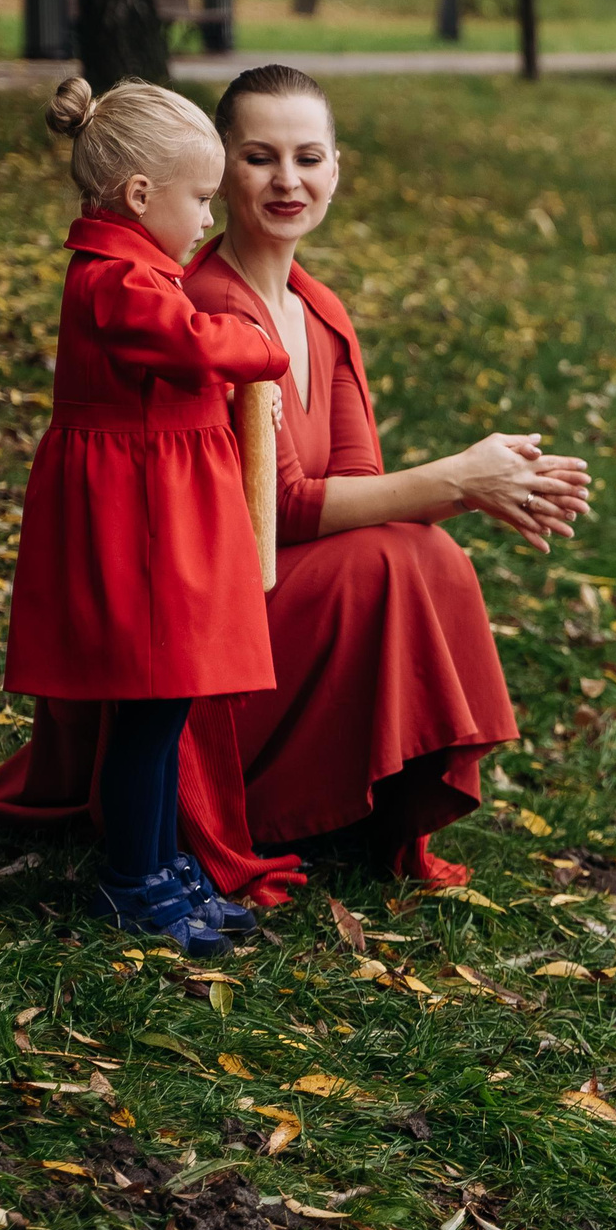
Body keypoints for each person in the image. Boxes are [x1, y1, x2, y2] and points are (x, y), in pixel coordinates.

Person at [182, 64, 591, 882]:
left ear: (338, 167)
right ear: (220, 167)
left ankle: (365, 801)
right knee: (400, 554)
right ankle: (266, 797)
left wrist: (483, 486)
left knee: (423, 553)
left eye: (308, 157)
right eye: (260, 157)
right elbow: (283, 509)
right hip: (211, 615)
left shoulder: (322, 311)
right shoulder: (208, 309)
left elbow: (362, 492)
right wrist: (458, 478)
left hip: (281, 596)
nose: (287, 180)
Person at [0, 76, 288, 954]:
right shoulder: (117, 280)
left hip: (161, 511)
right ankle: (131, 878)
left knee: (163, 708)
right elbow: (201, 342)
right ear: (139, 196)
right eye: (199, 198)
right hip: (141, 525)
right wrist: (264, 348)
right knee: (150, 711)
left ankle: (159, 864)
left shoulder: (138, 270)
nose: (207, 217)